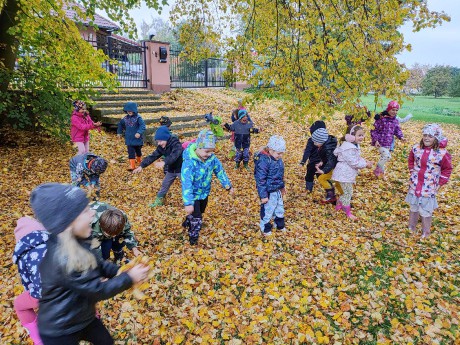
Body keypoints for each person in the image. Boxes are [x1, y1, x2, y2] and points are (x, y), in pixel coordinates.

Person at [30, 183, 149, 345]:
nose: (93, 212)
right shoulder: (64, 258)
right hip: (59, 330)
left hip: (83, 317)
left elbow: (99, 264)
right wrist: (129, 277)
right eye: (85, 210)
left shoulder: (80, 240)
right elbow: (97, 290)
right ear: (68, 223)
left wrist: (121, 270)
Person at [181, 130, 234, 245]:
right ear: (198, 148)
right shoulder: (189, 162)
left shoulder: (212, 159)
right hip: (193, 195)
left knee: (201, 210)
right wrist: (188, 203)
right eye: (206, 151)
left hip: (204, 193)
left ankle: (188, 220)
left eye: (211, 151)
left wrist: (228, 186)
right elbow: (186, 183)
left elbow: (220, 171)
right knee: (197, 217)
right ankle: (193, 237)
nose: (209, 154)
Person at [406, 124, 452, 238]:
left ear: (436, 138)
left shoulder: (441, 153)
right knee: (414, 206)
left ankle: (425, 232)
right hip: (415, 184)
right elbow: (411, 159)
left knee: (425, 209)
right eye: (425, 135)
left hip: (429, 186)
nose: (426, 138)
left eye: (430, 136)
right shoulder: (416, 148)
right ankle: (411, 227)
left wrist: (441, 182)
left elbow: (447, 168)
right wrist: (412, 171)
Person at [12, 217, 49, 345]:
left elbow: (28, 283)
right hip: (68, 286)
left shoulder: (23, 255)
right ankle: (94, 318)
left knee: (19, 305)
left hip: (44, 294)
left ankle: (38, 339)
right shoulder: (54, 241)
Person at [132, 126, 183, 207]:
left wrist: (164, 162)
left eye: (160, 141)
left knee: (187, 185)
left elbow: (175, 155)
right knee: (165, 184)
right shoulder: (161, 147)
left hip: (182, 169)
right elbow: (152, 156)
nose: (159, 143)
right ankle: (159, 201)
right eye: (158, 141)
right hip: (171, 169)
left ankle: (192, 203)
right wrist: (141, 166)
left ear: (166, 138)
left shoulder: (176, 144)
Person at [331, 126, 373, 220]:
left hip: (346, 173)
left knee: (346, 191)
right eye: (359, 135)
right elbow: (354, 162)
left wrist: (365, 161)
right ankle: (347, 212)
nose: (361, 137)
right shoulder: (348, 148)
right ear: (351, 136)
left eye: (362, 135)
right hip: (344, 174)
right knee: (348, 193)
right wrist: (366, 164)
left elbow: (357, 158)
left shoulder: (353, 146)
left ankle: (338, 206)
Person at [254, 135, 287, 236]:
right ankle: (265, 228)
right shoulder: (264, 161)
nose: (280, 155)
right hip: (268, 191)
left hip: (277, 189)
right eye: (278, 153)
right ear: (271, 150)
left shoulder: (278, 160)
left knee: (279, 208)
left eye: (282, 153)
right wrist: (263, 196)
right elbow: (260, 180)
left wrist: (282, 186)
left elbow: (280, 174)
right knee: (268, 210)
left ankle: (279, 224)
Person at [370, 100, 405, 178]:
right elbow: (374, 130)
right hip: (380, 143)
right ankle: (377, 170)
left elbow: (397, 130)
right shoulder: (381, 119)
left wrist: (401, 137)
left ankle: (380, 174)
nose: (394, 112)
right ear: (388, 109)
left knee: (384, 158)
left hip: (388, 143)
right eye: (393, 110)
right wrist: (375, 140)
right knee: (387, 156)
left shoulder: (395, 121)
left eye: (396, 110)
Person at [312, 127, 343, 204]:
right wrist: (322, 162)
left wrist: (323, 170)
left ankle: (333, 196)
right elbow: (328, 158)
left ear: (321, 141)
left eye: (316, 142)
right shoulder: (327, 144)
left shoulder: (328, 148)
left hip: (336, 167)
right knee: (338, 183)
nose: (314, 144)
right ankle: (345, 196)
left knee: (322, 178)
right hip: (336, 166)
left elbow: (331, 161)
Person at [117, 102, 146, 171]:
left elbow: (143, 126)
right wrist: (119, 133)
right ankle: (132, 166)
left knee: (138, 151)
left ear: (134, 110)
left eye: (131, 110)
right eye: (128, 110)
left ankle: (139, 160)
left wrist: (139, 132)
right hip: (129, 139)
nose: (129, 112)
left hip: (137, 139)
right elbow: (120, 125)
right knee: (131, 152)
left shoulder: (138, 118)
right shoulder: (125, 118)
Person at [300, 120, 325, 192]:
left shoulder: (311, 140)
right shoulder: (325, 140)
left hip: (313, 163)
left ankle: (308, 190)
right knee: (322, 177)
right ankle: (330, 191)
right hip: (321, 163)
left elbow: (307, 151)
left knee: (309, 176)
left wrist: (303, 161)